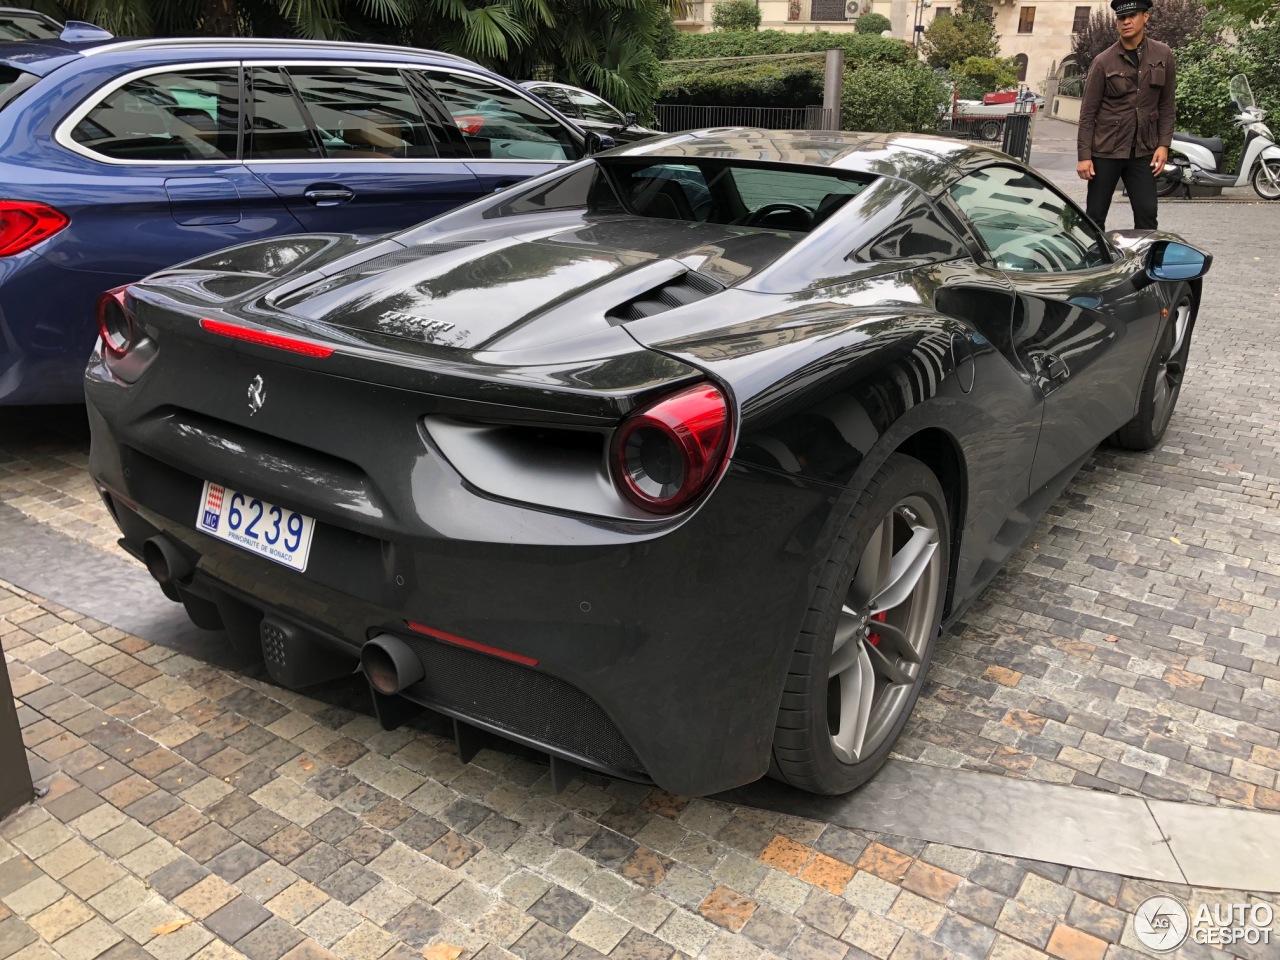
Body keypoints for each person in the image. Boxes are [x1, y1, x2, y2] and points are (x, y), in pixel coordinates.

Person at [1076, 0, 1176, 230]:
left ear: (1146, 17)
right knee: (1095, 215)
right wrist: (1084, 156)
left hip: (1144, 150)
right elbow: (1088, 112)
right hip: (1106, 150)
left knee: (1147, 213)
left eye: (1132, 16)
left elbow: (1167, 105)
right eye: (1122, 18)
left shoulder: (1163, 55)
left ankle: (1145, 263)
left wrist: (1163, 145)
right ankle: (1093, 263)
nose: (1127, 22)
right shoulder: (1103, 61)